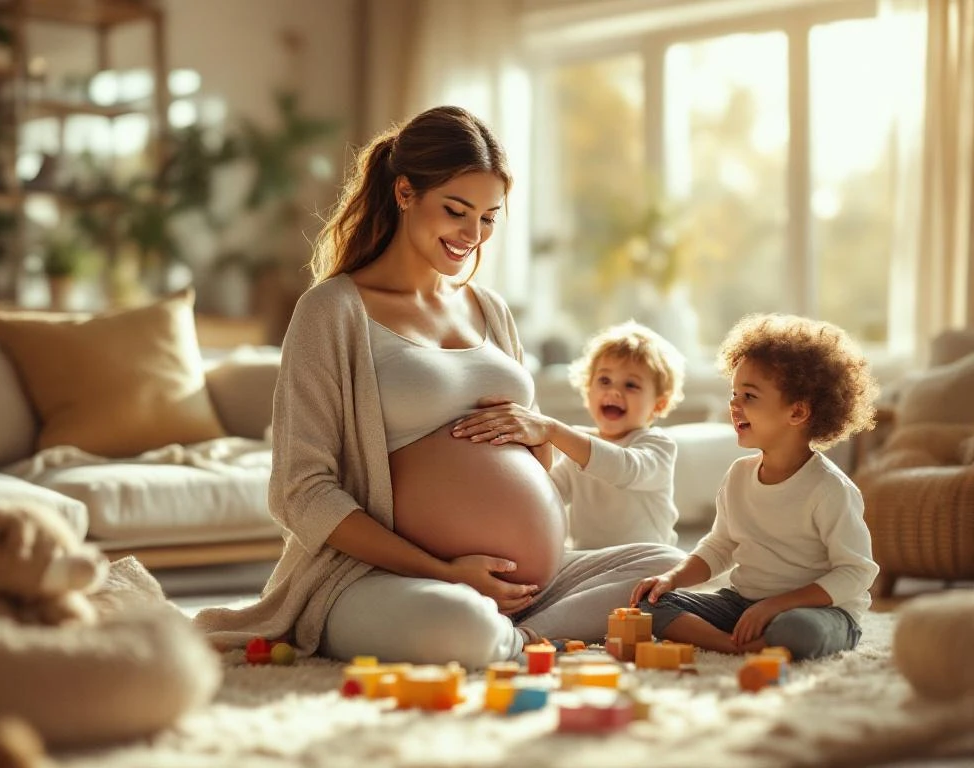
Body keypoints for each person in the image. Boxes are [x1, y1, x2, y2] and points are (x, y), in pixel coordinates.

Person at [194, 105, 684, 669]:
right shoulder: (332, 311)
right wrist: (445, 572)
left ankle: (521, 628)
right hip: (382, 579)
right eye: (456, 211)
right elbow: (299, 491)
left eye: (488, 218)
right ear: (405, 193)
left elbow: (535, 465)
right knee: (459, 628)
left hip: (527, 583)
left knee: (667, 564)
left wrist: (537, 433)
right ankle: (515, 633)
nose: (471, 236)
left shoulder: (490, 310)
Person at [630, 313, 880, 661]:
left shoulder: (829, 489)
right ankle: (736, 645)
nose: (733, 405)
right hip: (743, 604)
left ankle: (757, 639)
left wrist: (778, 605)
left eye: (748, 395)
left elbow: (856, 572)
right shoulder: (738, 476)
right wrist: (671, 578)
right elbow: (720, 547)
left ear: (797, 412)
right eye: (734, 393)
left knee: (797, 631)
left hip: (820, 612)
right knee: (647, 605)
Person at [450, 319, 685, 549]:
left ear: (659, 405)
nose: (614, 391)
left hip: (645, 559)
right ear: (587, 391)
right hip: (590, 560)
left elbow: (625, 469)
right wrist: (540, 448)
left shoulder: (659, 445)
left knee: (668, 562)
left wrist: (551, 430)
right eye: (604, 380)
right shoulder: (577, 447)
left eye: (631, 385)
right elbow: (546, 496)